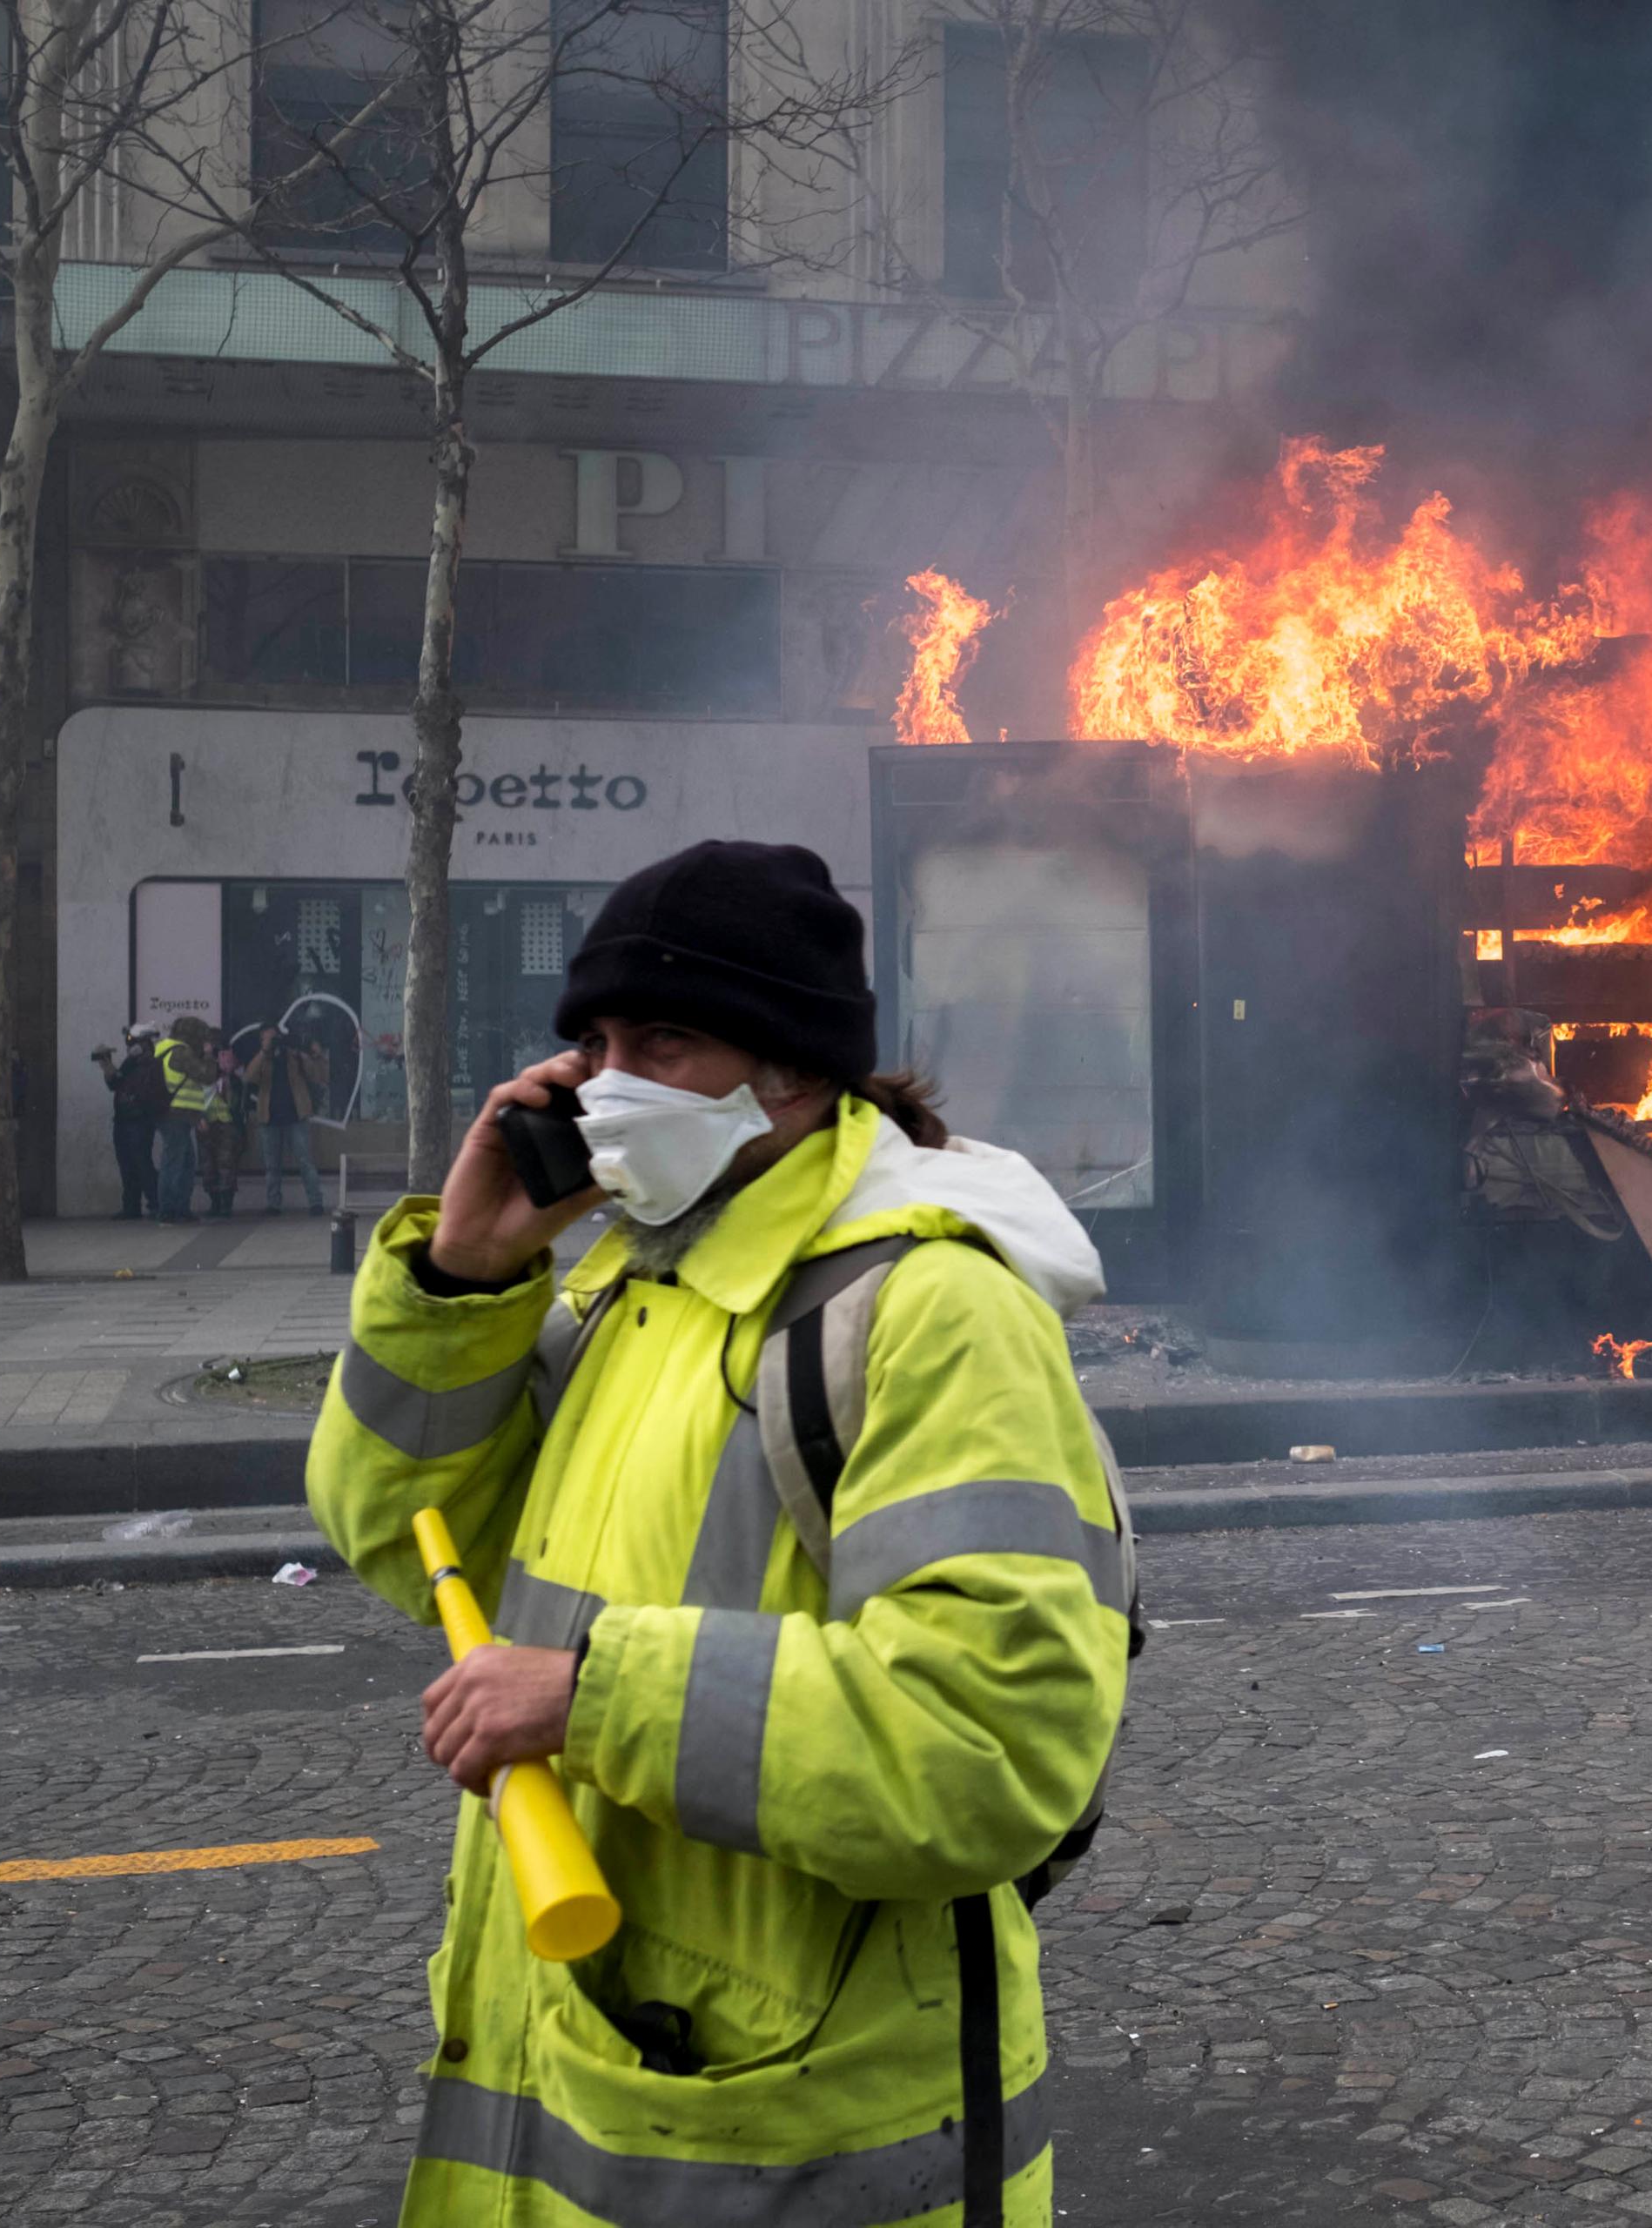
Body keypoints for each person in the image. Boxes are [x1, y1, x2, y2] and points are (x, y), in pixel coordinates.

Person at [306, 841, 1128, 2227]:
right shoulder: (639, 1271)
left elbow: (989, 1744)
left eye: (664, 1041)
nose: (606, 1082)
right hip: (599, 2083)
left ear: (794, 1070)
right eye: (594, 1043)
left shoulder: (932, 1309)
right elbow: (409, 1538)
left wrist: (587, 1694)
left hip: (805, 2140)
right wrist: (464, 1275)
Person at [246, 1022, 330, 1214]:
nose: (272, 1041)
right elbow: (249, 1077)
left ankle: (316, 1202)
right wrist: (264, 1052)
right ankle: (273, 1204)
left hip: (296, 1116)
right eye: (267, 1038)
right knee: (272, 1166)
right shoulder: (262, 1059)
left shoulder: (293, 1056)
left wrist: (306, 1053)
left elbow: (318, 1075)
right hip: (269, 1119)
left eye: (274, 1037)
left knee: (305, 1161)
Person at [91, 1023, 167, 1218]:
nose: (130, 1046)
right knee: (126, 1163)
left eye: (134, 1042)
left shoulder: (153, 1065)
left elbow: (148, 1092)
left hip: (140, 1120)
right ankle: (131, 1206)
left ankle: (156, 1203)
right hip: (123, 1120)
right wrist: (106, 1064)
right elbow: (116, 1083)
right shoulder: (131, 1063)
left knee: (142, 1162)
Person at [154, 1017, 218, 1223]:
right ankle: (169, 1210)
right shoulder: (181, 1052)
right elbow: (206, 1075)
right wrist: (208, 1055)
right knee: (175, 1161)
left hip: (172, 1113)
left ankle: (178, 1207)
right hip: (177, 1114)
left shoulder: (162, 1047)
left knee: (185, 1161)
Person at [198, 1038, 246, 1218]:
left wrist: (230, 1072)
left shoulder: (233, 1076)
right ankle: (215, 1202)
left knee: (226, 1163)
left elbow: (240, 1094)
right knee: (208, 1164)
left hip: (227, 1123)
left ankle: (226, 1203)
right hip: (206, 1123)